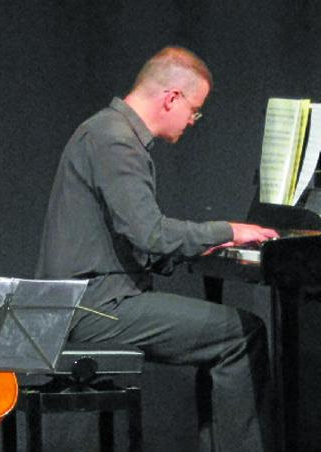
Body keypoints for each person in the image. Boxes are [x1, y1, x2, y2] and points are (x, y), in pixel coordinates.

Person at [35, 46, 278, 452]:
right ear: (172, 98)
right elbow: (150, 234)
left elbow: (139, 239)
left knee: (226, 335)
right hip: (93, 307)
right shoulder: (114, 140)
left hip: (97, 300)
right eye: (195, 110)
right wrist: (227, 231)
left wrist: (204, 243)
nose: (193, 121)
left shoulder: (111, 133)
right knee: (241, 335)